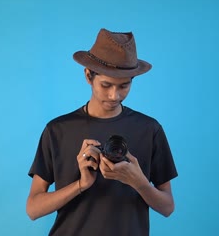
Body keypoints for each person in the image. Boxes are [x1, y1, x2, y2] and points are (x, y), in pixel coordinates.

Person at [26, 28, 178, 236]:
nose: (114, 95)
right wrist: (81, 184)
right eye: (106, 85)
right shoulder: (57, 130)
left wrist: (139, 182)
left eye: (124, 86)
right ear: (88, 75)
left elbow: (167, 207)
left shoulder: (149, 130)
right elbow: (33, 209)